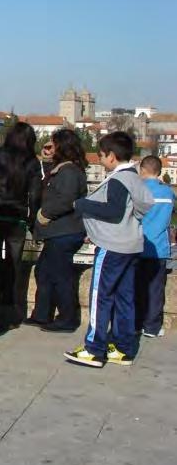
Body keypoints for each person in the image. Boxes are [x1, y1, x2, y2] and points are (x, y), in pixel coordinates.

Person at [65, 132, 153, 368]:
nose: (101, 161)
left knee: (100, 295)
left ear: (112, 157)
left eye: (102, 156)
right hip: (131, 244)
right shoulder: (135, 178)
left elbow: (113, 212)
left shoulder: (117, 180)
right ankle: (124, 348)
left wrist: (81, 204)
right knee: (125, 297)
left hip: (113, 245)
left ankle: (94, 348)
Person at [27, 129, 89, 333]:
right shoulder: (63, 169)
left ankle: (67, 319)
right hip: (57, 233)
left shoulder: (69, 172)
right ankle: (42, 314)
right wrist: (45, 159)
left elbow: (66, 199)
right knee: (44, 271)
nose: (49, 148)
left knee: (60, 276)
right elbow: (47, 178)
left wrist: (45, 214)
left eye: (53, 145)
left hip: (64, 232)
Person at [0, 123, 43, 331]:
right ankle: (9, 313)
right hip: (16, 218)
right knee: (13, 265)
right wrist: (32, 219)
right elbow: (35, 194)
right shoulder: (31, 162)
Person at [135, 155, 175, 339]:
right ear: (159, 171)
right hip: (159, 249)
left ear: (142, 170)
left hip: (136, 246)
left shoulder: (138, 191)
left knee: (135, 287)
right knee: (155, 289)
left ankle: (135, 323)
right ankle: (151, 327)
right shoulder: (168, 193)